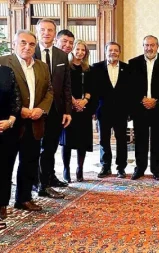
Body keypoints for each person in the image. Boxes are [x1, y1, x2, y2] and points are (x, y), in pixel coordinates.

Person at [0, 29, 53, 212]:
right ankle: (1, 204)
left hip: (35, 123)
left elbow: (49, 91)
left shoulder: (42, 66)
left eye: (31, 44)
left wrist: (41, 109)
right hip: (10, 124)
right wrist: (17, 110)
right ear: (14, 44)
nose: (27, 47)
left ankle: (23, 198)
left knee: (29, 162)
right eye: (23, 42)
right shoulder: (3, 63)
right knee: (4, 164)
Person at [128, 35, 159, 181]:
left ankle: (156, 169)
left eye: (152, 45)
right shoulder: (133, 63)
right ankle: (140, 168)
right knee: (141, 140)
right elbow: (130, 86)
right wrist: (142, 99)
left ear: (157, 46)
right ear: (143, 46)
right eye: (146, 45)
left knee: (158, 140)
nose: (149, 48)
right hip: (140, 107)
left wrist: (155, 100)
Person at [35, 18, 72, 199]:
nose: (46, 33)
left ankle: (46, 183)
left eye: (50, 30)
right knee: (32, 148)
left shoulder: (61, 56)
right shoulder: (29, 51)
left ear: (54, 33)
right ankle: (34, 182)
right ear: (38, 31)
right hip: (33, 110)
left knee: (50, 148)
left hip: (56, 110)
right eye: (43, 29)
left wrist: (67, 111)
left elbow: (66, 86)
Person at [91, 42, 130, 178]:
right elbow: (93, 91)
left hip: (121, 111)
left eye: (116, 50)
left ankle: (121, 168)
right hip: (103, 111)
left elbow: (131, 91)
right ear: (105, 51)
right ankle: (105, 166)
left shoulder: (127, 68)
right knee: (104, 140)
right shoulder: (96, 68)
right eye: (110, 50)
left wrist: (129, 112)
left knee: (121, 140)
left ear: (119, 52)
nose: (113, 52)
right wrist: (94, 111)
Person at [59, 40, 94, 183]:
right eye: (77, 49)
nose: (80, 52)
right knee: (67, 141)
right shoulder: (66, 67)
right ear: (72, 50)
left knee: (82, 141)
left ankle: (80, 168)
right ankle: (66, 168)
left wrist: (84, 101)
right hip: (69, 109)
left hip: (84, 109)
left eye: (83, 50)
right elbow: (63, 87)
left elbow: (92, 88)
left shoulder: (88, 69)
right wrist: (73, 101)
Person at [0, 65, 21, 230]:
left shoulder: (7, 71)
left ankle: (2, 205)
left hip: (6, 128)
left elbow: (16, 99)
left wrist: (11, 120)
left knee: (5, 169)